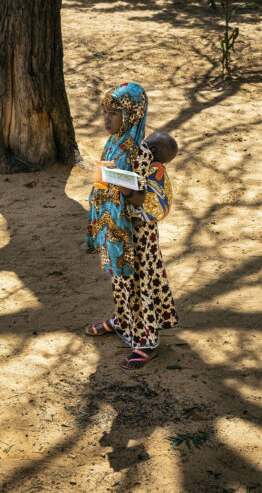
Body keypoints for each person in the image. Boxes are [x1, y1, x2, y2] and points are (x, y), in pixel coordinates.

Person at [85, 83, 179, 370]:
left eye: (114, 113)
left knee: (138, 283)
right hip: (117, 228)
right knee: (120, 280)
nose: (107, 119)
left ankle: (146, 341)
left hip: (137, 234)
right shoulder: (115, 143)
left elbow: (144, 198)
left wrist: (121, 186)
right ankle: (123, 320)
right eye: (105, 113)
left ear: (132, 116)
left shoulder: (139, 154)